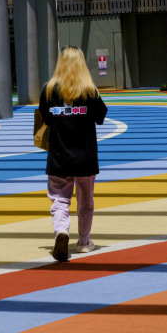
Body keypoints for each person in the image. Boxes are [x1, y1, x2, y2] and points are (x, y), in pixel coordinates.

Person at [39, 46, 108, 262]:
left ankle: (62, 232)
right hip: (85, 157)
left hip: (59, 156)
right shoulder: (90, 91)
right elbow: (101, 117)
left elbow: (46, 119)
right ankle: (84, 242)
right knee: (85, 201)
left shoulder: (49, 90)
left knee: (60, 199)